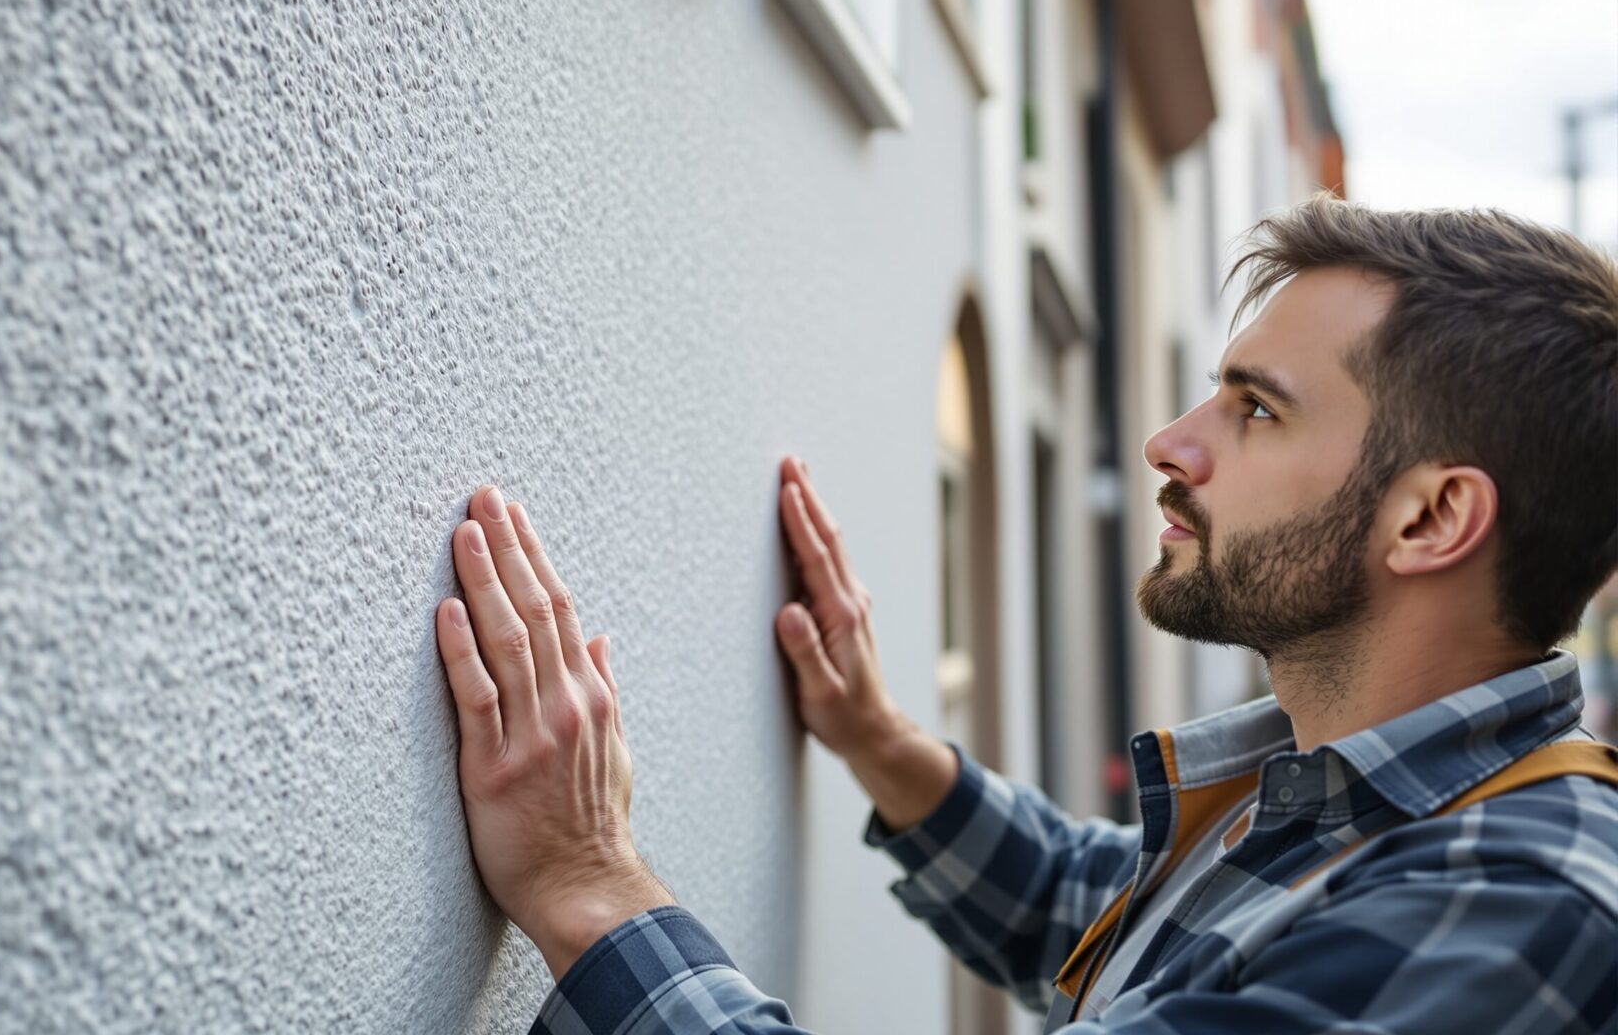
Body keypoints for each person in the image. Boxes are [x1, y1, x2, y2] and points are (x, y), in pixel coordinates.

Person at [430, 197, 1618, 1033]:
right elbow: (1099, 916)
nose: (1172, 442)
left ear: (1431, 520)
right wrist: (878, 741)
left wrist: (589, 883)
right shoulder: (1346, 802)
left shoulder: (1518, 901)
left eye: (1256, 410)